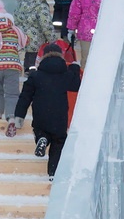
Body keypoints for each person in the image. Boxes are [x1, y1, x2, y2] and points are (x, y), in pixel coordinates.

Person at [11, 43, 81, 179]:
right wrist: (75, 68)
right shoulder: (65, 74)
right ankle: (53, 173)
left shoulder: (36, 76)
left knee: (40, 131)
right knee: (58, 141)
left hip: (40, 112)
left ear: (43, 57)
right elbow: (76, 85)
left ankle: (42, 138)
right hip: (59, 114)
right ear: (61, 56)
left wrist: (19, 116)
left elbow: (25, 97)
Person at [66, 0, 106, 68]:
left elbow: (74, 13)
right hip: (105, 31)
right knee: (104, 58)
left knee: (86, 59)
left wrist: (71, 29)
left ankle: (85, 81)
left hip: (85, 31)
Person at [14, 0, 57, 74]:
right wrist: (52, 39)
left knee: (29, 54)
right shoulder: (40, 5)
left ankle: (27, 70)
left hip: (23, 37)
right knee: (34, 56)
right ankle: (32, 73)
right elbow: (46, 24)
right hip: (36, 39)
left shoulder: (20, 3)